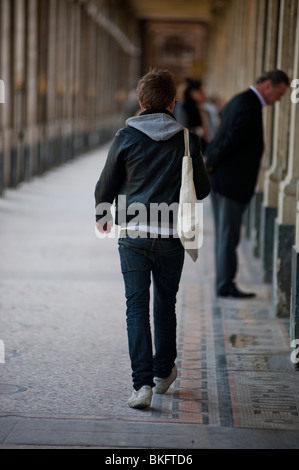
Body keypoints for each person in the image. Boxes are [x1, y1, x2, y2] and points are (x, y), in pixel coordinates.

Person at [94, 69, 211, 409]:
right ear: (172, 102)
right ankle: (163, 373)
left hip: (132, 235)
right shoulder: (188, 138)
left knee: (136, 308)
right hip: (171, 236)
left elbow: (106, 184)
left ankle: (141, 385)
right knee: (165, 305)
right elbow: (201, 190)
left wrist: (102, 216)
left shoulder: (125, 136)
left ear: (141, 102)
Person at [205, 69, 290, 298]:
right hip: (231, 182)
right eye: (279, 94)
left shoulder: (240, 99)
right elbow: (231, 140)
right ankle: (225, 285)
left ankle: (225, 282)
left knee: (226, 235)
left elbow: (224, 136)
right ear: (268, 86)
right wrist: (210, 161)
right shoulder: (250, 105)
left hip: (225, 180)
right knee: (228, 235)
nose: (278, 100)